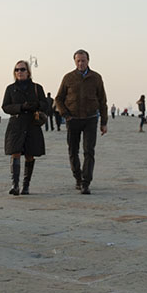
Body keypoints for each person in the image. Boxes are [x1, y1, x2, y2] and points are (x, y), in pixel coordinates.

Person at [55, 49, 108, 194]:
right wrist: (65, 114)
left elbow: (103, 101)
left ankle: (86, 181)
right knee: (73, 151)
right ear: (74, 61)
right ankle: (77, 177)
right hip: (73, 119)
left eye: (83, 60)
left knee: (89, 151)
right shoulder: (68, 78)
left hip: (90, 119)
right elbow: (58, 98)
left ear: (88, 61)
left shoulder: (96, 78)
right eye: (78, 60)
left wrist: (104, 122)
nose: (80, 63)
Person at [1, 60, 48, 195]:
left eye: (22, 69)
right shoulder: (10, 88)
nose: (19, 72)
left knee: (29, 154)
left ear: (28, 72)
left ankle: (26, 186)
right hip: (16, 124)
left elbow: (45, 104)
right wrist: (20, 107)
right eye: (17, 70)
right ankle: (15, 185)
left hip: (32, 124)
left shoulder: (37, 88)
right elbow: (5, 107)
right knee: (15, 152)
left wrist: (36, 105)